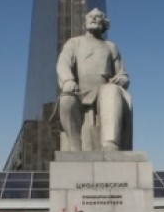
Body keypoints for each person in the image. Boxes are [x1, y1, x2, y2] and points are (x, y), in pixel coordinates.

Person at [56, 8, 132, 151]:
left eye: (98, 17)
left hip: (104, 90)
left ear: (104, 24)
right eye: (91, 16)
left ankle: (110, 143)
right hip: (79, 91)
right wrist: (67, 80)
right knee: (66, 100)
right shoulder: (74, 43)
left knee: (112, 91)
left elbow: (122, 73)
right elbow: (63, 63)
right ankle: (74, 146)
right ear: (85, 22)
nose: (94, 19)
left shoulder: (111, 47)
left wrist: (122, 79)